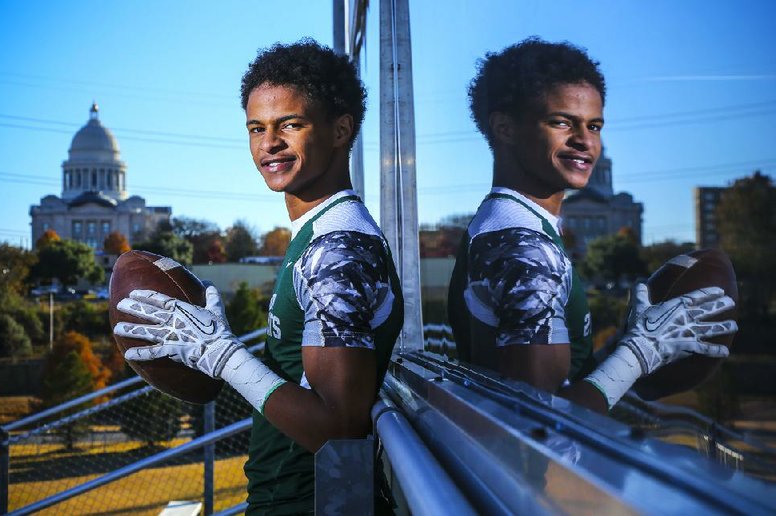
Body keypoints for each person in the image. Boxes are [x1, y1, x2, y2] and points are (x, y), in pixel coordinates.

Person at [114, 39, 404, 515]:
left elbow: (338, 429)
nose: (269, 143)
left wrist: (224, 357)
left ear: (340, 129)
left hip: (308, 503)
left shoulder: (337, 249)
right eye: (257, 128)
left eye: (290, 124)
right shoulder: (317, 234)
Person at [447, 37, 737, 413]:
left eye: (595, 126)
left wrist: (621, 346)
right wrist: (637, 354)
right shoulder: (527, 248)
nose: (584, 141)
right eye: (562, 122)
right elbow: (541, 425)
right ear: (504, 128)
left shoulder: (500, 224)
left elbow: (553, 381)